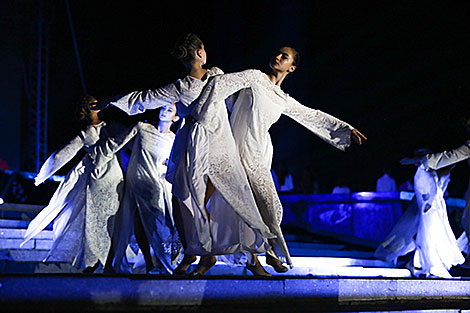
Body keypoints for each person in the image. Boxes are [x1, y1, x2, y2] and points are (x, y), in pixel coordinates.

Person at [92, 34, 273, 276]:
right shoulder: (182, 86)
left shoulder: (215, 77)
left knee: (231, 198)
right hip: (197, 149)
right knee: (191, 202)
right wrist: (115, 101)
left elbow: (143, 98)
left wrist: (113, 100)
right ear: (200, 53)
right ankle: (201, 254)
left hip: (219, 148)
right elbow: (144, 99)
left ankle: (251, 259)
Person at [199, 46, 367, 271]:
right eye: (277, 53)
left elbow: (311, 115)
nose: (277, 57)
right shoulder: (254, 77)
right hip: (232, 149)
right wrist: (207, 77)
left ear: (292, 67)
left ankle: (268, 253)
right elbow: (222, 85)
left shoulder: (283, 99)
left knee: (267, 206)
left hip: (257, 153)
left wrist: (345, 129)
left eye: (284, 57)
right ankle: (204, 253)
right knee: (206, 201)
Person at [21, 96, 125, 271]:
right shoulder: (86, 133)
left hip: (116, 176)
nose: (97, 103)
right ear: (88, 107)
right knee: (95, 219)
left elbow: (130, 138)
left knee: (113, 219)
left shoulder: (112, 126)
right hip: (98, 178)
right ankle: (95, 260)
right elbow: (63, 154)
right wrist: (44, 174)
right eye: (93, 102)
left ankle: (109, 259)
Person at [90, 104, 180, 273]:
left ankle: (160, 263)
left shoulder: (173, 139)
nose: (164, 111)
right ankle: (119, 263)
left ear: (175, 117)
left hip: (155, 184)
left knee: (149, 222)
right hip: (137, 179)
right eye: (163, 108)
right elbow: (118, 142)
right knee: (131, 220)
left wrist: (168, 167)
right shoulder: (142, 128)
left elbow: (172, 164)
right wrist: (96, 157)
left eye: (170, 110)